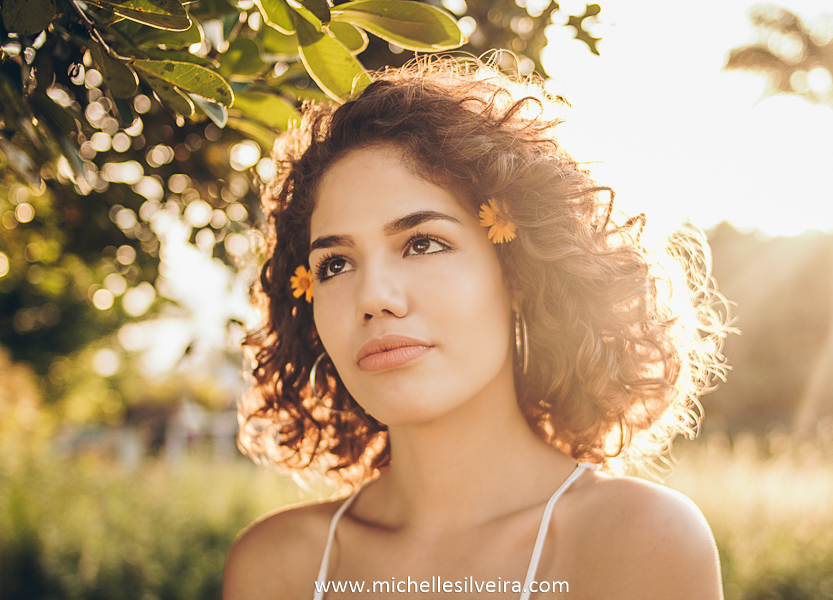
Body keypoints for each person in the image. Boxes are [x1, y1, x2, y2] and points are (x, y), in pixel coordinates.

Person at [222, 57, 728, 600]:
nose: (373, 297)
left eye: (422, 244)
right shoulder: (276, 567)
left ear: (518, 275)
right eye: (335, 264)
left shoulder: (640, 543)